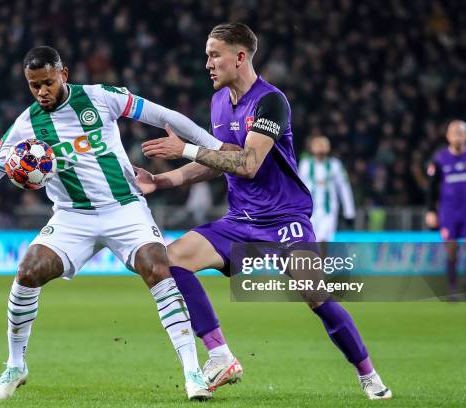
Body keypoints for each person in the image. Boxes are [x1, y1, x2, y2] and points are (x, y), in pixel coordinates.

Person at [0, 46, 228, 401]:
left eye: (47, 82)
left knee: (159, 268)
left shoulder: (101, 97)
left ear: (63, 74)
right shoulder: (26, 125)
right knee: (28, 271)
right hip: (72, 216)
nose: (41, 92)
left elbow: (166, 117)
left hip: (124, 207)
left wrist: (217, 146)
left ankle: (192, 373)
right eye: (34, 86)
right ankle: (16, 364)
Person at [136, 22, 391, 400]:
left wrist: (185, 148)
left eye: (214, 54)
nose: (207, 63)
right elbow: (219, 160)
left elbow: (248, 163)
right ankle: (220, 354)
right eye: (207, 55)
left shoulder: (271, 101)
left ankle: (369, 376)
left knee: (317, 298)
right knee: (170, 260)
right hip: (240, 220)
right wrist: (161, 182)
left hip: (285, 219)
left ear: (240, 57)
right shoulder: (219, 101)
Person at [425, 120, 466, 301]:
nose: (457, 136)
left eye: (461, 132)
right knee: (452, 250)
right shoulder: (440, 158)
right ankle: (453, 287)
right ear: (448, 136)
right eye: (454, 132)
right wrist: (431, 210)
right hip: (448, 212)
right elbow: (431, 187)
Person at [298, 135, 356, 253]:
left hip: (328, 210)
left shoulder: (335, 165)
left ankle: (321, 267)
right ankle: (310, 266)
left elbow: (344, 188)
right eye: (317, 145)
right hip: (309, 209)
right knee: (310, 238)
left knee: (324, 238)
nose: (320, 149)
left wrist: (349, 211)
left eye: (323, 145)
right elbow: (298, 187)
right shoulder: (305, 165)